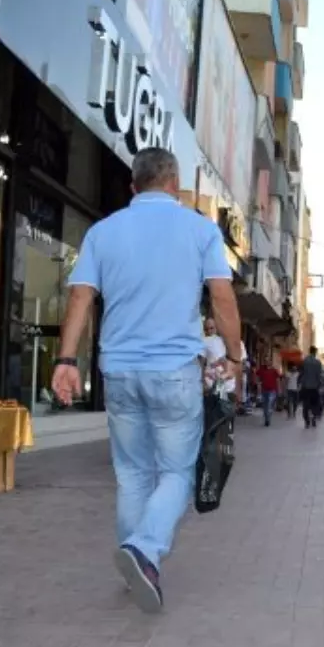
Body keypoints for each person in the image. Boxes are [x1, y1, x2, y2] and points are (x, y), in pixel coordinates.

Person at [50, 148, 241, 613]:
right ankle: (145, 551)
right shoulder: (200, 230)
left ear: (132, 187)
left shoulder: (103, 231)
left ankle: (136, 563)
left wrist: (66, 359)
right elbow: (221, 296)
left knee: (132, 474)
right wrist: (234, 355)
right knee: (175, 471)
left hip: (118, 371)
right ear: (174, 183)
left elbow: (80, 296)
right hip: (174, 371)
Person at [202, 317, 245, 405]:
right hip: (212, 388)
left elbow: (239, 369)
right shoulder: (207, 341)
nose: (209, 331)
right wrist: (203, 381)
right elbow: (201, 364)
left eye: (211, 328)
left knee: (227, 414)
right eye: (206, 329)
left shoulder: (238, 344)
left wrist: (239, 391)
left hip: (229, 389)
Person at [298, 346, 324, 428]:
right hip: (315, 387)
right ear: (315, 352)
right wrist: (319, 385)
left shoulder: (304, 361)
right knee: (314, 404)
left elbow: (301, 373)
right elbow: (319, 375)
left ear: (309, 351)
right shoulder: (318, 362)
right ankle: (313, 418)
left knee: (305, 405)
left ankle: (306, 421)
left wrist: (299, 383)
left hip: (305, 386)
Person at [255, 360, 280, 427]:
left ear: (271, 363)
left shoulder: (274, 370)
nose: (267, 362)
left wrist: (279, 390)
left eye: (268, 361)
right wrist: (258, 383)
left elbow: (277, 380)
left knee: (269, 405)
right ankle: (266, 418)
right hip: (264, 390)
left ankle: (268, 419)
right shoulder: (262, 369)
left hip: (272, 390)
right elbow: (257, 375)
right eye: (266, 361)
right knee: (265, 406)